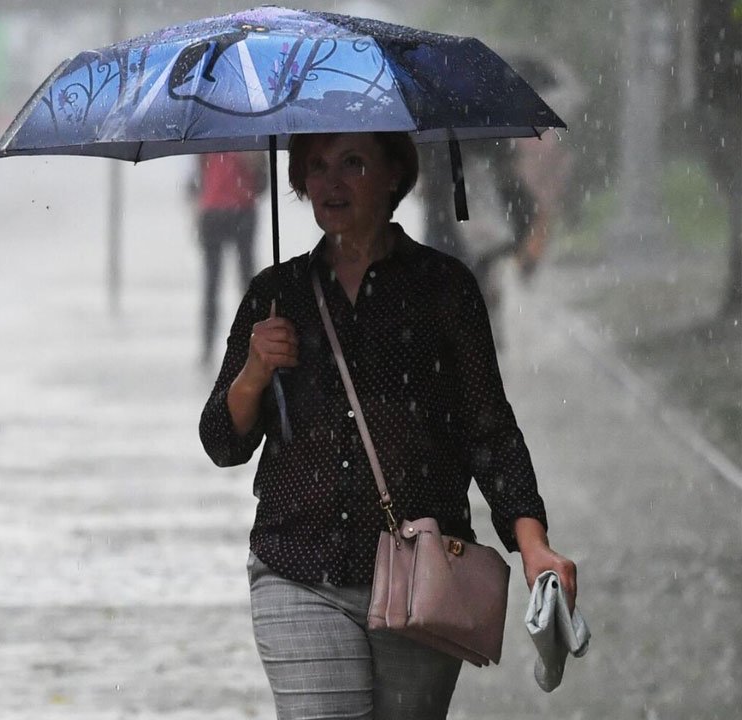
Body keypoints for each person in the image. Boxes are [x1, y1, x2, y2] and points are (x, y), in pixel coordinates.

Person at [198, 131, 578, 720]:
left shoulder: (445, 290)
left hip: (421, 573)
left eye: (353, 163)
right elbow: (223, 442)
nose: (331, 181)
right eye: (317, 166)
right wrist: (254, 370)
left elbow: (489, 430)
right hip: (297, 566)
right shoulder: (276, 295)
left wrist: (533, 546)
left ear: (395, 175)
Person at [190, 151, 267, 367]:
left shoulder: (249, 136)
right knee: (213, 283)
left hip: (240, 210)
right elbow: (196, 177)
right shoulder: (243, 130)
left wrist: (253, 165)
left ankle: (251, 342)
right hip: (216, 211)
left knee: (246, 283)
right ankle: (208, 346)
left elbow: (262, 184)